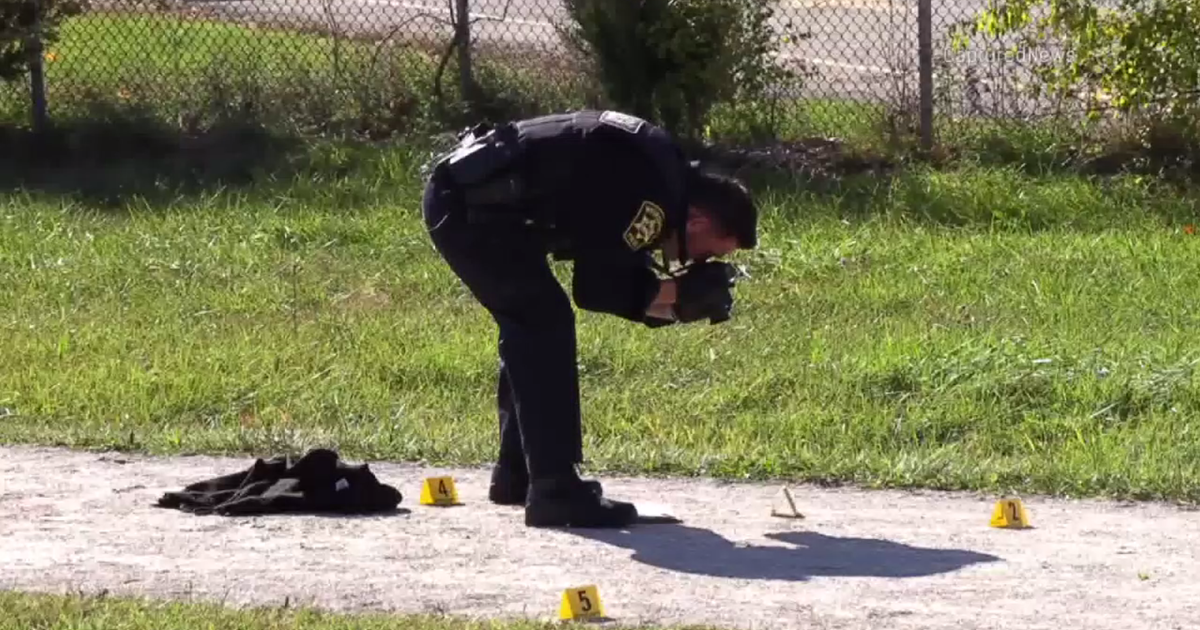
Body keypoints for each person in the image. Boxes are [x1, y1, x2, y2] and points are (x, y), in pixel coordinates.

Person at [420, 109, 758, 528]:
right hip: (471, 210)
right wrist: (680, 297)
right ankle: (555, 492)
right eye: (711, 251)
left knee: (535, 319)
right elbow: (597, 290)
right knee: (541, 320)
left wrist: (672, 304)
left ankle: (520, 475)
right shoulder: (650, 197)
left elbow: (616, 273)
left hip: (479, 202)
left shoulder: (659, 178)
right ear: (698, 221)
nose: (703, 262)